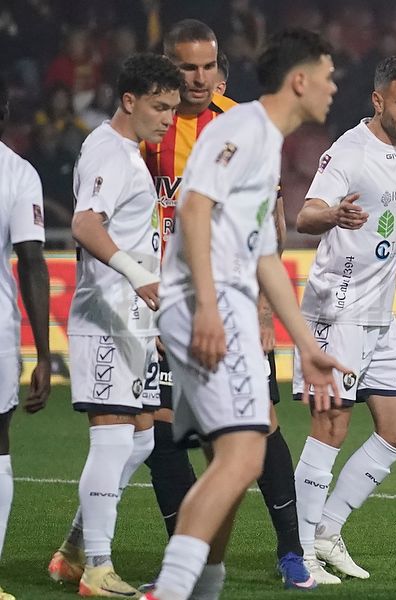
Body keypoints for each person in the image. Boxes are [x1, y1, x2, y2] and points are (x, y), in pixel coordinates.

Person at [139, 28, 348, 600]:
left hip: (221, 303)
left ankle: (204, 583)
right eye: (328, 76)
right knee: (244, 452)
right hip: (206, 305)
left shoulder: (262, 138)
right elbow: (194, 208)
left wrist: (306, 345)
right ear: (300, 81)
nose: (334, 87)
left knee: (227, 457)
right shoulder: (243, 130)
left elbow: (263, 257)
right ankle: (174, 588)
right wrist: (207, 308)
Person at [291, 55, 396, 585]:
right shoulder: (348, 152)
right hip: (338, 311)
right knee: (330, 427)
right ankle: (300, 552)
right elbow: (305, 214)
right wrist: (334, 215)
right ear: (378, 101)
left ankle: (327, 530)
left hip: (379, 315)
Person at [47, 53, 182, 597]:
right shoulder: (110, 151)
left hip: (133, 322)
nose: (168, 119)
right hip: (106, 318)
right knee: (112, 439)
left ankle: (74, 550)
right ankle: (97, 569)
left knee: (142, 440)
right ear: (129, 100)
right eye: (159, 106)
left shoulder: (127, 153)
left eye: (173, 109)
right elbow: (85, 223)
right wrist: (138, 275)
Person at [0, 76, 52, 600]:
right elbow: (32, 261)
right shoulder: (17, 173)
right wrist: (43, 354)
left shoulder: (19, 172)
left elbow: (34, 263)